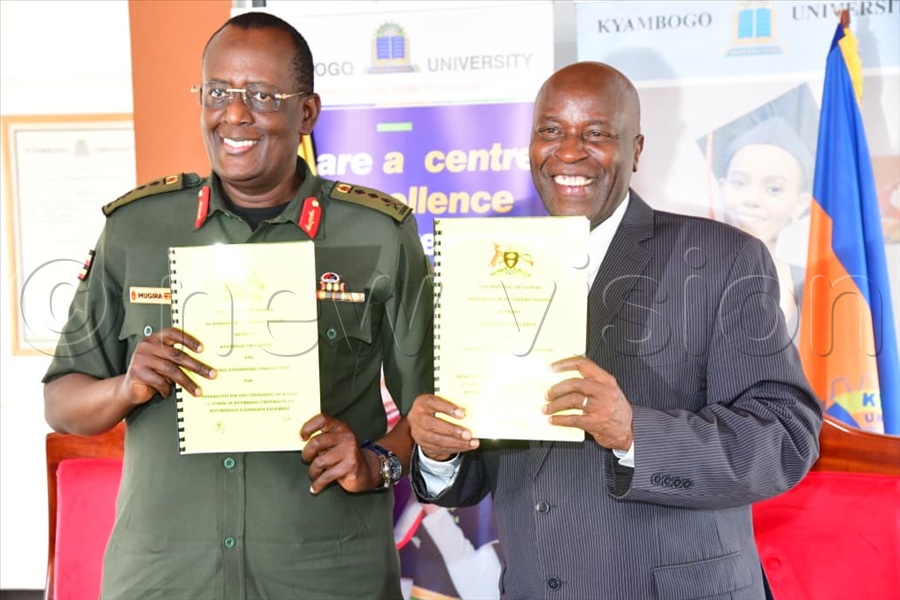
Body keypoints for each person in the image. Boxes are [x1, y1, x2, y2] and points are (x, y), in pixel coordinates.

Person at [42, 12, 432, 599]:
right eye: (217, 92)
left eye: (262, 95)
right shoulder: (136, 229)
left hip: (326, 577)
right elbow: (62, 402)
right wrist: (127, 387)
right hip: (168, 580)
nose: (234, 114)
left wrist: (375, 464)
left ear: (307, 112)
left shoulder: (378, 234)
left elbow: (432, 410)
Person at [407, 62, 823, 599]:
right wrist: (441, 453)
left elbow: (785, 438)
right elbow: (481, 472)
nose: (569, 152)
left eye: (596, 134)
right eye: (551, 130)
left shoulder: (724, 259)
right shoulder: (488, 263)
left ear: (636, 149)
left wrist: (633, 434)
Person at [720, 116, 813, 326]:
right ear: (722, 188)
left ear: (800, 204)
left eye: (773, 189)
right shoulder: (682, 276)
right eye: (739, 183)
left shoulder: (817, 288)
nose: (752, 200)